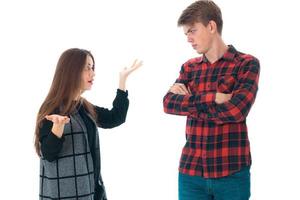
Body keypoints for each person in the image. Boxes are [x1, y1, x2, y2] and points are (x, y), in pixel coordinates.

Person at [163, 1, 260, 199]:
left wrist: (190, 102)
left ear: (211, 26)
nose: (188, 39)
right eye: (186, 34)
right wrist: (214, 97)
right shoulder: (189, 68)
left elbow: (236, 112)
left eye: (192, 31)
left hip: (232, 172)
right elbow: (168, 103)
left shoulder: (246, 63)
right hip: (191, 172)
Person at [34, 48, 142, 200]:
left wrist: (122, 80)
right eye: (87, 68)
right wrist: (57, 128)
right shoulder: (52, 108)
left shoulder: (82, 107)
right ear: (71, 72)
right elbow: (48, 154)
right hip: (65, 194)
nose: (93, 73)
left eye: (92, 67)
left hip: (91, 190)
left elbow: (115, 117)